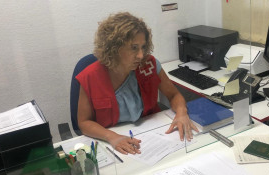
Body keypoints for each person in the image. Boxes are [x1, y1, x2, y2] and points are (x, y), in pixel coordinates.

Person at [76, 12, 198, 155]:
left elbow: (173, 95)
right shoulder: (90, 77)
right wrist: (112, 137)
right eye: (134, 48)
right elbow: (84, 123)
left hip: (153, 134)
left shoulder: (149, 65)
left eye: (143, 47)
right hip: (114, 140)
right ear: (114, 48)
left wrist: (182, 112)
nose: (141, 55)